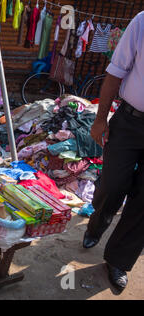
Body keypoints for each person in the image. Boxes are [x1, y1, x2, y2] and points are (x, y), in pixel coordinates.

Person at [83, 11, 144, 293]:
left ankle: (118, 260)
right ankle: (97, 223)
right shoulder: (142, 22)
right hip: (130, 121)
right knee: (113, 184)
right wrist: (100, 119)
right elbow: (115, 72)